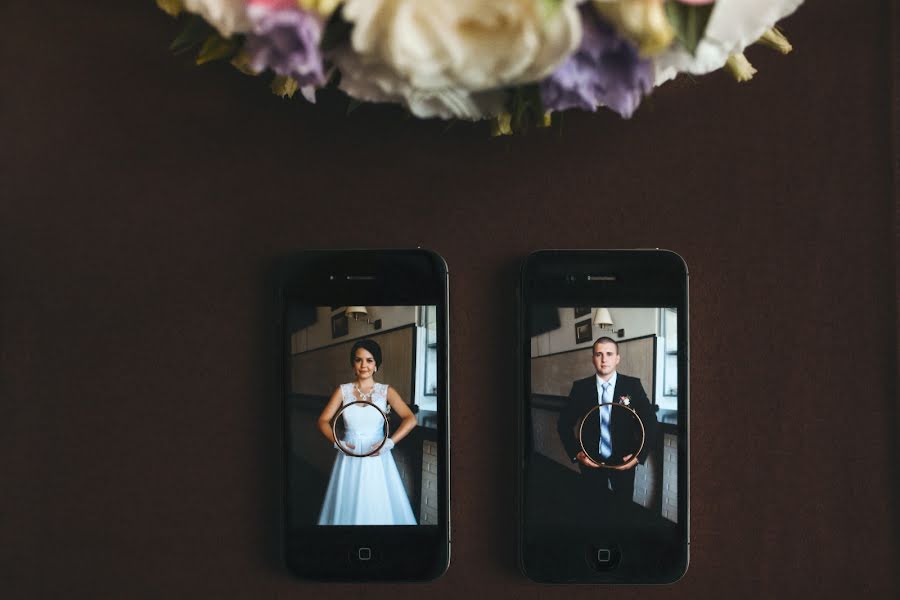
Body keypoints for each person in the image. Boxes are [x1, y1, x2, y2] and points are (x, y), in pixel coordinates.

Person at [316, 339, 418, 525]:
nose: (364, 365)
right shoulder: (343, 391)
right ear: (353, 364)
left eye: (369, 360)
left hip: (377, 457)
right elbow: (322, 421)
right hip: (349, 455)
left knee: (378, 504)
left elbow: (410, 419)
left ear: (376, 364)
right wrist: (338, 442)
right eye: (359, 360)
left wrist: (389, 442)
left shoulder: (386, 391)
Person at [557, 336, 660, 502]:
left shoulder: (632, 385)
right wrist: (577, 453)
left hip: (623, 460)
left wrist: (638, 456)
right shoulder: (580, 388)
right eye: (599, 354)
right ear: (593, 359)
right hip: (591, 460)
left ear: (617, 358)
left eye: (609, 354)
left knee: (623, 506)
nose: (604, 359)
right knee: (595, 506)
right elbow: (563, 424)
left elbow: (651, 423)